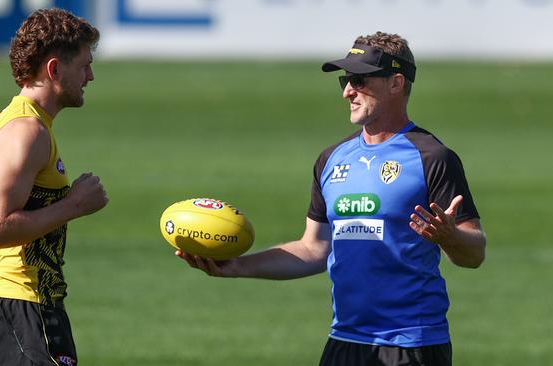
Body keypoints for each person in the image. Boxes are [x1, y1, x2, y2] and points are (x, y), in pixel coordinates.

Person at [177, 31, 486, 366]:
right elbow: (314, 249)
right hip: (344, 341)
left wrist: (450, 237)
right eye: (345, 79)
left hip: (412, 343)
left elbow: (475, 253)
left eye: (360, 80)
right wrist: (238, 266)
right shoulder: (332, 159)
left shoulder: (432, 157)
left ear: (396, 83)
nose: (347, 91)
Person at [0, 8, 108, 366]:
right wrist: (75, 204)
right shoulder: (26, 131)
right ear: (54, 69)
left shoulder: (25, 124)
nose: (90, 76)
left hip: (28, 309)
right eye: (84, 65)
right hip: (18, 309)